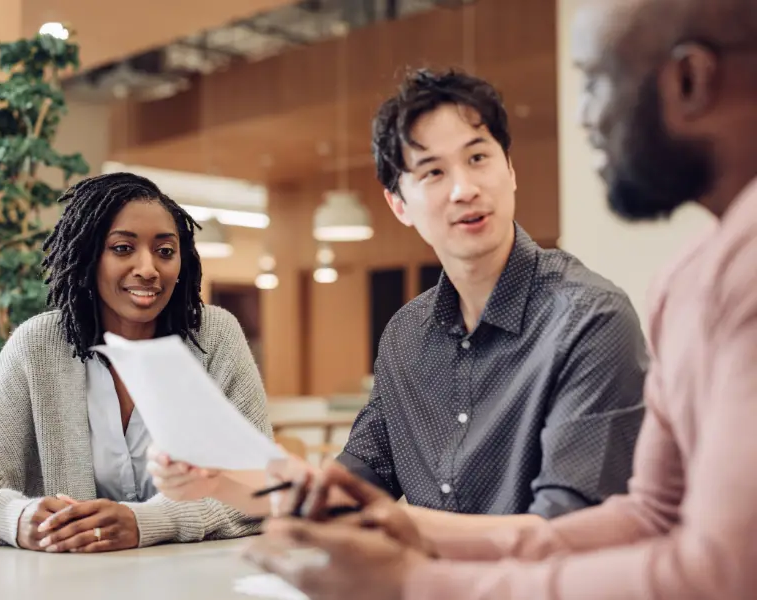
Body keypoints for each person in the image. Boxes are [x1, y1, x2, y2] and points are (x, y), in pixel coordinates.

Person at [243, 0, 757, 598]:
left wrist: (417, 583)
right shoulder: (686, 280)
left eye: (595, 81)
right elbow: (647, 517)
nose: (585, 118)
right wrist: (404, 526)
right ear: (399, 202)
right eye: (432, 172)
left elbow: (724, 574)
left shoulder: (624, 305)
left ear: (689, 80)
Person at [150, 68, 647, 534]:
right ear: (399, 204)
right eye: (432, 172)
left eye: (478, 157)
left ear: (510, 169)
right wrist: (218, 481)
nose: (464, 189)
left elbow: (566, 531)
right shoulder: (407, 334)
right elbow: (350, 492)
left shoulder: (590, 318)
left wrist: (393, 525)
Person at [0, 172, 272, 552]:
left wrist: (146, 522)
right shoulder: (37, 346)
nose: (148, 268)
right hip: (68, 586)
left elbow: (263, 489)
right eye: (123, 248)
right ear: (90, 257)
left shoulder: (215, 337)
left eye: (165, 251)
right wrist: (18, 519)